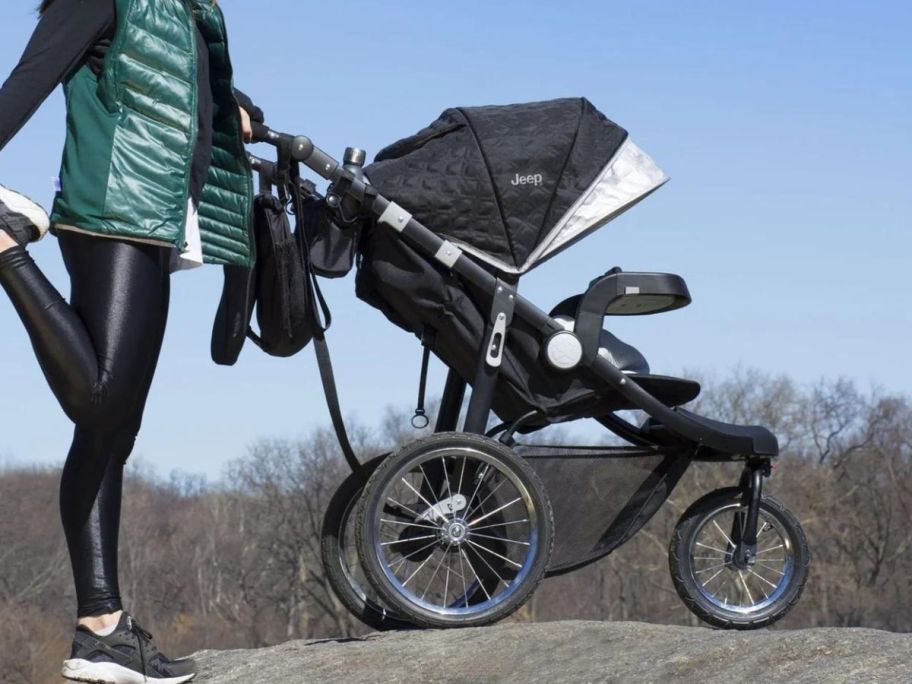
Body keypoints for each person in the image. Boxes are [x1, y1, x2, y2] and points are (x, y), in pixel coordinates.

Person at [0, 1, 261, 682]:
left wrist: (235, 109)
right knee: (99, 399)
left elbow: (179, 84)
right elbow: (28, 80)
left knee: (114, 431)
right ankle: (4, 246)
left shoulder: (182, 9)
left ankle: (103, 630)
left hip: (158, 216)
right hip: (111, 205)